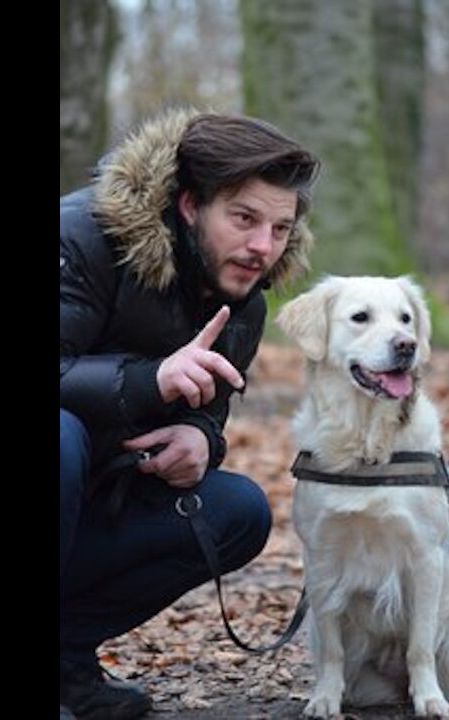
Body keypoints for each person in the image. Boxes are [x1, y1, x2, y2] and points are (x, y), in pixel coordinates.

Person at [59, 107, 320, 720]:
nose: (263, 248)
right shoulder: (81, 238)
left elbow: (211, 411)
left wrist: (201, 440)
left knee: (239, 511)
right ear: (188, 204)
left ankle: (66, 658)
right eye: (245, 219)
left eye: (281, 229)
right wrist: (150, 380)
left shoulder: (244, 296)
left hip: (102, 494)